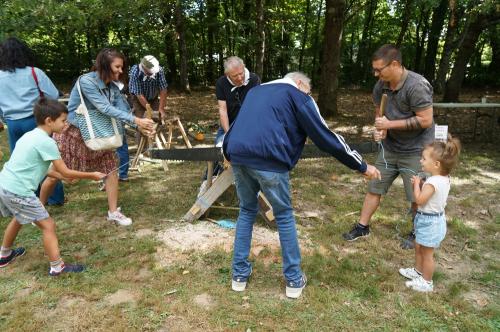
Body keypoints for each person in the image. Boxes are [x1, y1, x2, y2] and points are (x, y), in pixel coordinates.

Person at [222, 72, 381, 299]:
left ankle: (238, 276)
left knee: (246, 211)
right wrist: (362, 166)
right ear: (299, 83)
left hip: (238, 156)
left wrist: (226, 152)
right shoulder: (297, 95)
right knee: (284, 215)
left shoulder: (255, 92)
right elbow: (326, 137)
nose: (309, 97)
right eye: (308, 92)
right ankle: (294, 280)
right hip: (270, 161)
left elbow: (237, 126)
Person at [40, 48, 155, 226]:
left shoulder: (112, 86)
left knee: (111, 170)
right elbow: (104, 108)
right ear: (104, 65)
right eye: (117, 66)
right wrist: (137, 121)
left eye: (122, 67)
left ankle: (113, 212)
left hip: (100, 134)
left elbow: (123, 110)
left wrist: (141, 127)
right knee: (55, 174)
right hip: (74, 134)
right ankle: (38, 211)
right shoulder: (86, 81)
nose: (120, 70)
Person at [342, 44, 435, 249]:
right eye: (374, 69)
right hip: (390, 147)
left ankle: (416, 232)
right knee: (374, 186)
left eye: (379, 69)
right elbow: (380, 114)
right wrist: (380, 129)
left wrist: (389, 125)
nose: (376, 74)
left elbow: (426, 119)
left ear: (394, 64)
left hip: (417, 150)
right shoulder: (381, 86)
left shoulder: (416, 85)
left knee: (415, 194)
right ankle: (362, 227)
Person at [0, 98, 105, 275]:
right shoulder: (47, 142)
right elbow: (66, 171)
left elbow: (45, 169)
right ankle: (57, 267)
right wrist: (91, 175)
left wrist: (61, 175)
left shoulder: (30, 136)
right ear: (49, 120)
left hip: (5, 185)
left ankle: (4, 255)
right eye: (63, 121)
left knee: (19, 217)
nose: (65, 124)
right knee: (48, 225)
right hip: (19, 191)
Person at [0, 37, 65, 206]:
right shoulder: (34, 72)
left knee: (23, 161)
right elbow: (53, 94)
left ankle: (31, 197)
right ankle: (55, 198)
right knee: (48, 159)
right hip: (35, 121)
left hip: (13, 124)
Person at [400, 135, 461, 292]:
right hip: (431, 220)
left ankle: (427, 282)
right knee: (419, 246)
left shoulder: (433, 182)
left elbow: (419, 200)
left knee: (427, 254)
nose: (421, 161)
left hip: (430, 223)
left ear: (436, 164)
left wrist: (415, 185)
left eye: (424, 159)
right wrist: (422, 184)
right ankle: (418, 272)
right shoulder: (443, 178)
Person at [128, 55, 168, 143]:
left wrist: (161, 108)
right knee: (142, 122)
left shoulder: (159, 70)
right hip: (138, 99)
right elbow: (139, 95)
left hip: (153, 97)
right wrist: (150, 111)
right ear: (143, 68)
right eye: (150, 72)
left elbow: (163, 89)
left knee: (158, 118)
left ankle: (156, 144)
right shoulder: (135, 72)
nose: (152, 74)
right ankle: (143, 149)